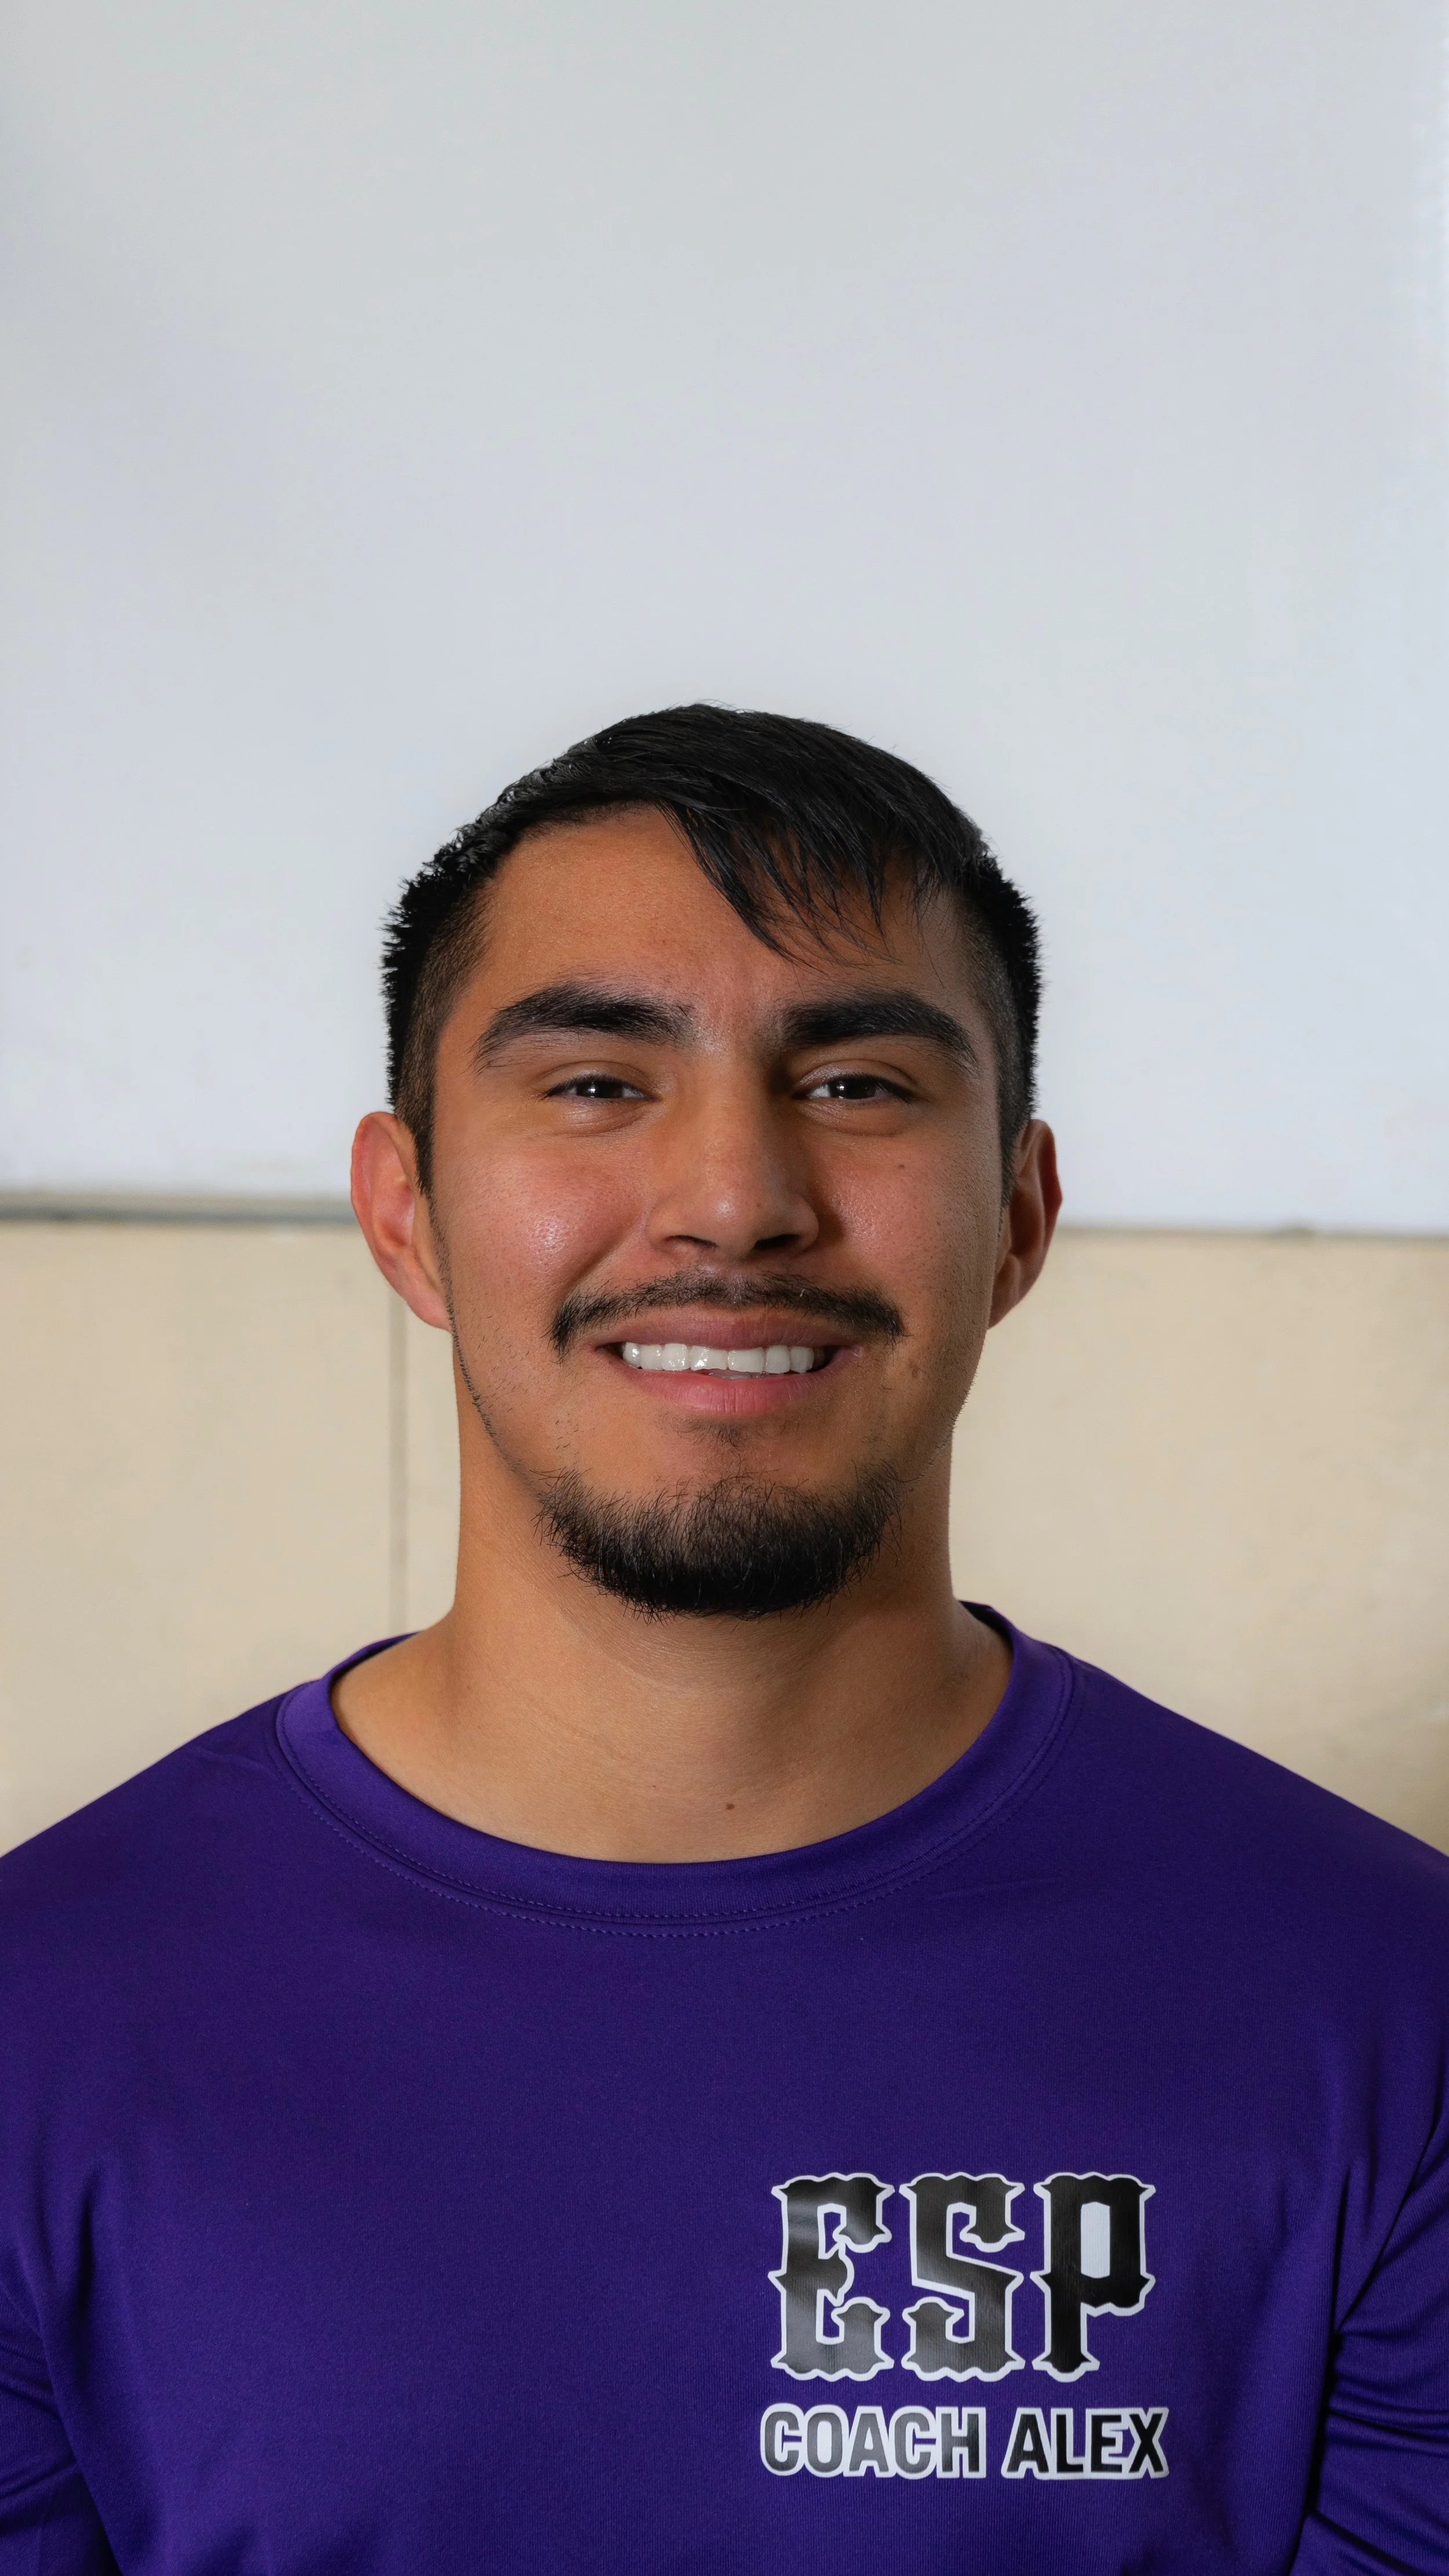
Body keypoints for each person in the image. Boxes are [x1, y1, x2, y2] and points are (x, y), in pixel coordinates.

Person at [1, 706, 1446, 2575]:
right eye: (598, 1082)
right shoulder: (39, 2020)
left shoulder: (1390, 2013)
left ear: (1017, 1217)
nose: (736, 1201)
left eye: (853, 1083)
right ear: (407, 1214)